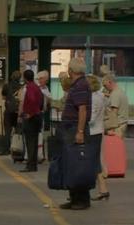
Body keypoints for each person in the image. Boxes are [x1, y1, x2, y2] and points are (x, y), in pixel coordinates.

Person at [59, 58, 93, 210]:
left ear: (71, 70)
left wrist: (80, 131)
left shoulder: (80, 85)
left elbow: (82, 109)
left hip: (75, 128)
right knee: (72, 163)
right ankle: (74, 197)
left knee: (78, 163)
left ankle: (82, 199)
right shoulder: (78, 85)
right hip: (71, 127)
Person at [86, 75, 108, 201]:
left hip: (93, 132)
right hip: (99, 131)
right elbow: (107, 104)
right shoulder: (100, 96)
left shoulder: (93, 98)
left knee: (93, 162)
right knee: (95, 161)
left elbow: (91, 118)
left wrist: (81, 120)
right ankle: (103, 189)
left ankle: (102, 189)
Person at [18, 69, 43, 172]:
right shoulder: (37, 87)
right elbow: (41, 101)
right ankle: (33, 165)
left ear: (25, 78)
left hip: (31, 117)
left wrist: (29, 114)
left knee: (30, 142)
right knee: (35, 140)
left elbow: (31, 101)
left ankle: (30, 165)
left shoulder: (28, 88)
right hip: (38, 117)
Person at [0, 70, 22, 155]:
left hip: (9, 111)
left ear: (11, 77)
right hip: (18, 111)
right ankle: (17, 149)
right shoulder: (21, 87)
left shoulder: (6, 86)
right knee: (18, 131)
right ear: (20, 78)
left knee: (7, 131)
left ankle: (6, 149)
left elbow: (3, 97)